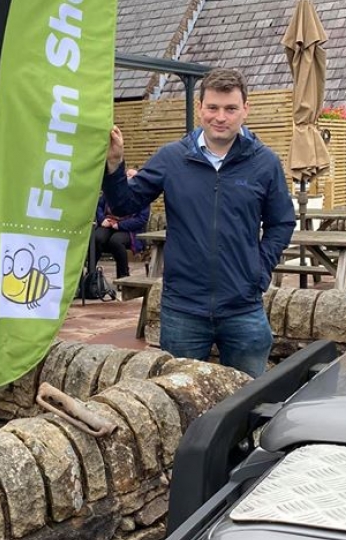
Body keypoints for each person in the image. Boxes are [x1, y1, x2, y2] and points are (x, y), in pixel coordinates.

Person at [102, 68, 295, 378]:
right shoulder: (172, 158)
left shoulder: (265, 163)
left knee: (249, 401)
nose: (221, 116)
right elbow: (124, 204)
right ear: (200, 107)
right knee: (180, 400)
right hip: (183, 310)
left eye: (230, 108)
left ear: (246, 109)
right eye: (213, 107)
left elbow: (282, 222)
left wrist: (258, 271)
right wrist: (114, 166)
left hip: (243, 308)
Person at [93, 192, 150, 278]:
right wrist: (102, 219)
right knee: (97, 238)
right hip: (108, 224)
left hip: (129, 230)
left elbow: (142, 219)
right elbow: (98, 206)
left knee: (116, 241)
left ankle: (123, 276)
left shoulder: (142, 193)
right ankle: (90, 273)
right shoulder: (113, 188)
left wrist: (120, 225)